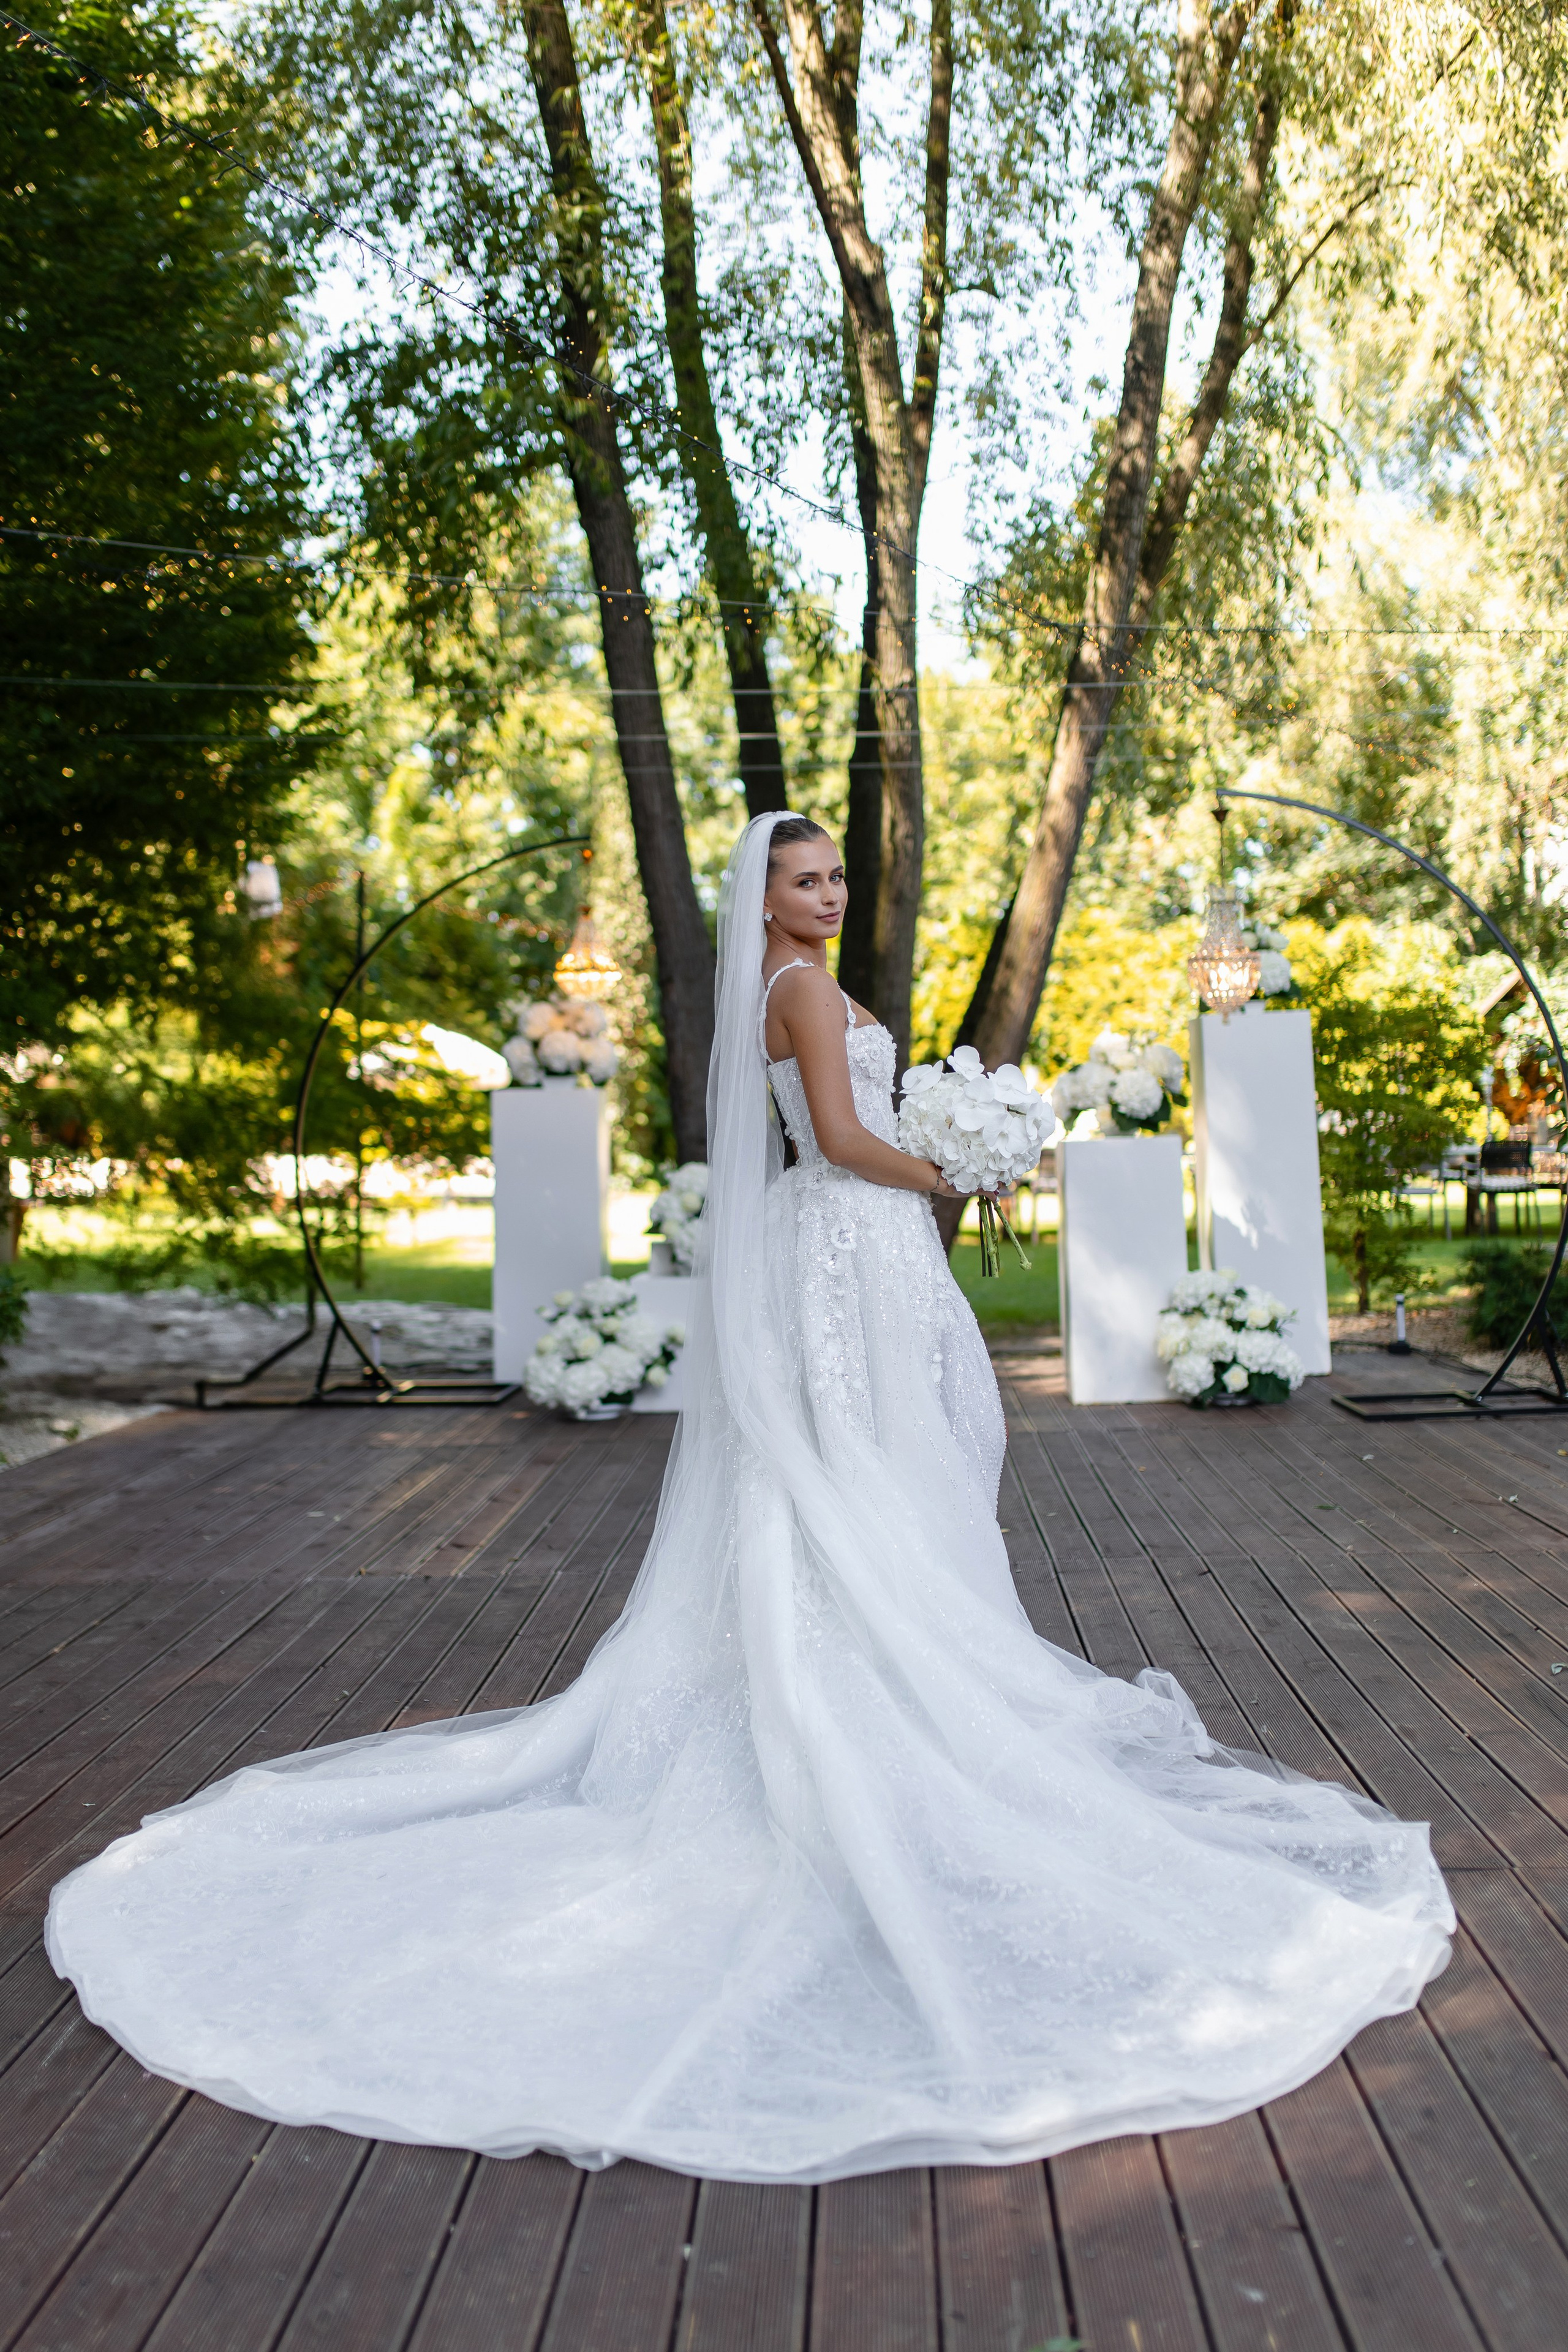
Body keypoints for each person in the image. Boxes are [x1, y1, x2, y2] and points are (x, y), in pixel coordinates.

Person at [47, 810, 1453, 2184]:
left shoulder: (793, 983)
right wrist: (958, 1170)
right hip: (849, 1237)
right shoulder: (800, 990)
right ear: (764, 899)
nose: (829, 893)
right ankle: (863, 1706)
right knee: (866, 1472)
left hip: (848, 1248)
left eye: (836, 875)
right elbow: (837, 1138)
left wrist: (939, 1164)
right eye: (805, 879)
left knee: (869, 1473)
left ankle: (873, 1674)